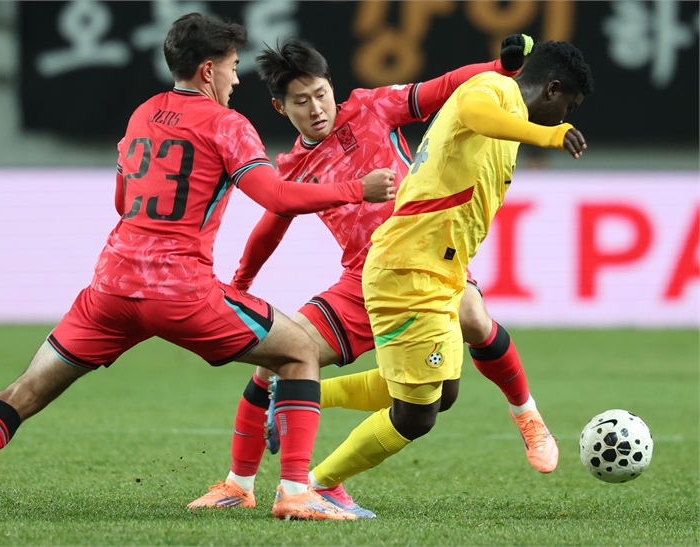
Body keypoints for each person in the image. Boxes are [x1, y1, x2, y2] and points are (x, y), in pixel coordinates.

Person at [0, 13, 397, 522]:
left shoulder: (143, 114)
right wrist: (356, 189)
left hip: (110, 290)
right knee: (298, 350)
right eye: (232, 67)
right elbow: (274, 196)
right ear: (208, 70)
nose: (236, 80)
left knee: (25, 389)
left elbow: (123, 199)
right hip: (181, 291)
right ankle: (295, 491)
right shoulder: (227, 125)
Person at [188, 35, 567, 517]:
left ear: (332, 86)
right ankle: (239, 484)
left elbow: (443, 87)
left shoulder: (372, 108)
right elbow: (269, 228)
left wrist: (500, 66)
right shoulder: (294, 166)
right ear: (280, 108)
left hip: (428, 261)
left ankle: (527, 415)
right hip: (361, 282)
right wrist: (241, 284)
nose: (316, 108)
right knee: (278, 355)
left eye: (321, 94)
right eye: (301, 102)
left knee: (458, 358)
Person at [306, 40, 594, 504]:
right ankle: (319, 485)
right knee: (416, 415)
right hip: (409, 267)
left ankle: (301, 393)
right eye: (568, 107)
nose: (563, 117)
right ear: (553, 89)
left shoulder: (508, 120)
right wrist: (547, 136)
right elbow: (476, 112)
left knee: (442, 393)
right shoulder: (493, 90)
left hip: (440, 271)